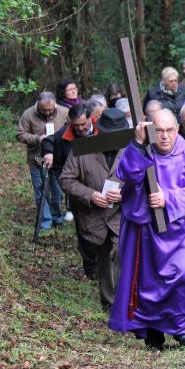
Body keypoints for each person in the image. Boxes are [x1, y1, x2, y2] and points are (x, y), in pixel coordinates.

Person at [109, 109, 185, 350]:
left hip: (181, 228)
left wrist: (169, 198)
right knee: (148, 281)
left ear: (177, 130)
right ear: (150, 130)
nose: (164, 136)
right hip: (147, 229)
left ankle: (184, 328)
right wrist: (138, 144)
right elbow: (126, 175)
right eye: (159, 130)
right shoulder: (141, 150)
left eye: (169, 130)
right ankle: (153, 331)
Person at [59, 108, 127, 311]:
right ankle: (109, 302)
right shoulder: (83, 149)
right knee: (105, 257)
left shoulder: (132, 150)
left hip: (122, 214)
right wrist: (90, 194)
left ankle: (127, 300)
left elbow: (146, 180)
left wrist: (125, 194)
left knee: (123, 252)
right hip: (95, 216)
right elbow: (66, 179)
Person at [42, 104, 100, 279]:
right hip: (78, 192)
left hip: (101, 187)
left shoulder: (102, 130)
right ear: (70, 123)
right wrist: (49, 154)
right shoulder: (64, 137)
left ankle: (106, 264)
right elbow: (48, 142)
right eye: (76, 126)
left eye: (83, 124)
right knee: (84, 229)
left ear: (91, 118)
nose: (80, 128)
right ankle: (91, 269)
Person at [16, 92, 69, 234]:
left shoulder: (64, 112)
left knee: (57, 190)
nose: (47, 112)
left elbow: (72, 128)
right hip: (36, 159)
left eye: (50, 109)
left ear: (55, 105)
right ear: (38, 105)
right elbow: (20, 134)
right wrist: (38, 138)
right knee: (40, 191)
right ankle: (45, 221)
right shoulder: (28, 115)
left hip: (58, 160)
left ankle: (58, 218)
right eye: (44, 109)